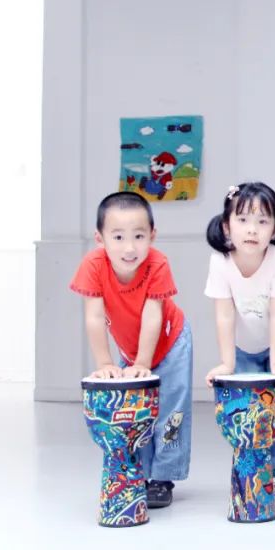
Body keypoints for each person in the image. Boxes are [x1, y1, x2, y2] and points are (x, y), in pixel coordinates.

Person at [70, 192, 192, 509]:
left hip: (171, 342)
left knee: (171, 410)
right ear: (100, 239)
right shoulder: (93, 265)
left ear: (152, 235)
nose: (129, 248)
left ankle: (163, 477)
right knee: (139, 410)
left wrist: (142, 363)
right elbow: (94, 317)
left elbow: (153, 316)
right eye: (118, 237)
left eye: (139, 236)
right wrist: (105, 363)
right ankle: (141, 471)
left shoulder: (157, 263)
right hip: (131, 347)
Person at [204, 182, 275, 509]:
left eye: (262, 221)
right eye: (243, 220)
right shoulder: (220, 261)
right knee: (247, 410)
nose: (252, 229)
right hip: (243, 346)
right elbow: (224, 316)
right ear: (226, 226)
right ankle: (252, 470)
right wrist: (227, 364)